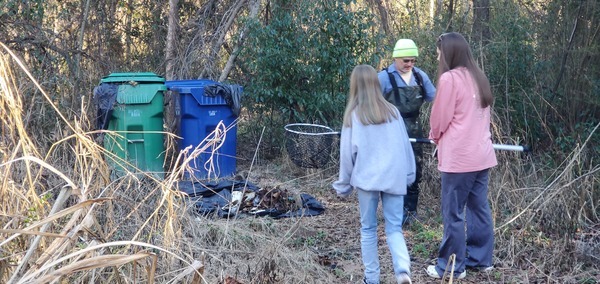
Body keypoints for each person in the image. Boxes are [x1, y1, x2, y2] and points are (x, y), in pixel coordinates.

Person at [333, 64, 416, 284]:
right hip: (394, 176)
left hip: (367, 179)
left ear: (355, 86)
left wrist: (343, 185)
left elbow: (347, 155)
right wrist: (409, 174)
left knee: (368, 229)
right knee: (394, 228)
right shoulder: (393, 112)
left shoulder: (353, 116)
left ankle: (371, 279)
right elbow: (405, 146)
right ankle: (402, 271)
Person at [426, 32, 498, 280]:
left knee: (453, 212)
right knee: (478, 208)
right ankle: (481, 260)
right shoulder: (479, 77)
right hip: (482, 156)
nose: (437, 55)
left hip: (459, 160)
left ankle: (451, 266)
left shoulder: (449, 79)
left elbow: (439, 120)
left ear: (448, 52)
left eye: (439, 51)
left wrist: (434, 137)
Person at [378, 38, 436, 226]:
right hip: (389, 129)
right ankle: (391, 212)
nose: (409, 64)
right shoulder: (383, 78)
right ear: (396, 58)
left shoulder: (420, 76)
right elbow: (370, 105)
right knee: (390, 170)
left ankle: (410, 213)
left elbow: (434, 97)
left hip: (414, 128)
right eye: (406, 61)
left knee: (414, 169)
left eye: (413, 61)